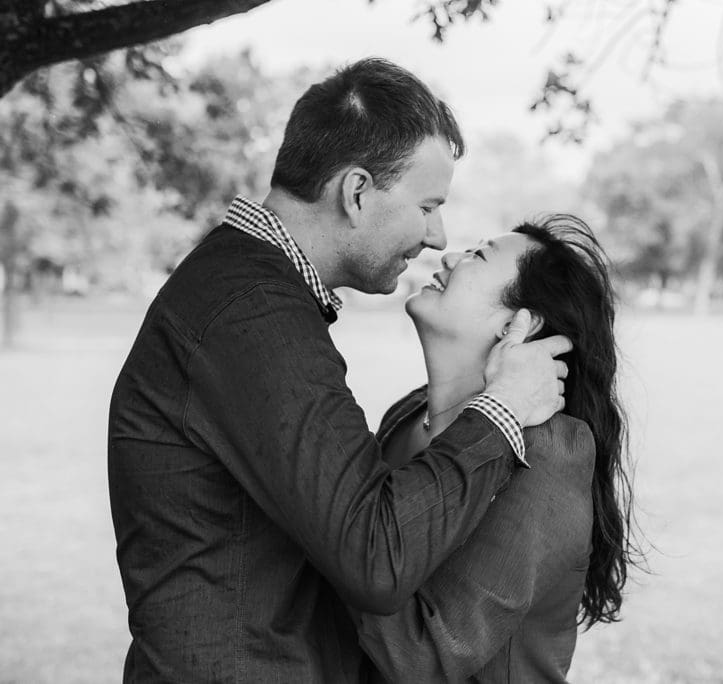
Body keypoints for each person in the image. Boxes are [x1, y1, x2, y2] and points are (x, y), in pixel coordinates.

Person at [107, 58, 570, 682]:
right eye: (427, 205)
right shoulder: (252, 315)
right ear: (356, 193)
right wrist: (504, 410)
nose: (437, 236)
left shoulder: (251, 296)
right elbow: (374, 555)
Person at [349, 215, 640, 682]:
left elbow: (428, 655)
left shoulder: (545, 455)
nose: (448, 256)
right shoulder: (408, 414)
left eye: (477, 256)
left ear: (517, 324)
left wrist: (326, 524)